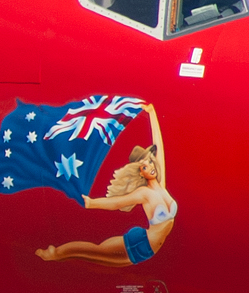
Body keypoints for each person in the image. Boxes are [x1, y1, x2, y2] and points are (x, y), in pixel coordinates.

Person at [36, 104, 177, 265]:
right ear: (140, 172)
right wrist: (91, 203)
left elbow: (159, 147)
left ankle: (57, 253)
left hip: (147, 245)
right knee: (95, 252)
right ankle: (56, 253)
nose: (151, 167)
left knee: (97, 253)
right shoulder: (144, 193)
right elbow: (116, 202)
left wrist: (152, 114)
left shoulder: (160, 184)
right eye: (145, 166)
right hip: (140, 246)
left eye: (150, 162)